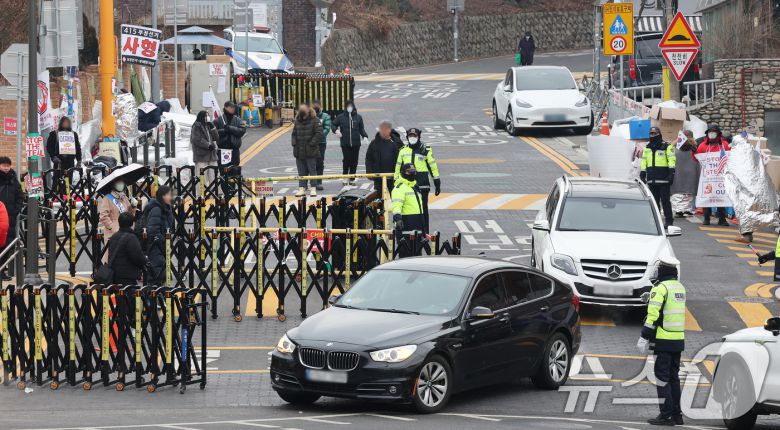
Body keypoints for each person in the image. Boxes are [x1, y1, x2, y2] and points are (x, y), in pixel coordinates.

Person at [637, 256, 686, 426]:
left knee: (662, 378)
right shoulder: (679, 287)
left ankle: (665, 415)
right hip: (678, 339)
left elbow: (653, 316)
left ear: (662, 271)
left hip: (663, 340)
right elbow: (669, 309)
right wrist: (650, 298)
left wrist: (644, 336)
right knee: (674, 378)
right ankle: (677, 414)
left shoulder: (660, 288)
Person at [395, 128, 441, 233]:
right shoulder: (403, 150)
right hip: (406, 186)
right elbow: (397, 168)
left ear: (419, 137)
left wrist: (437, 182)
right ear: (407, 137)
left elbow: (432, 166)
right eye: (410, 136)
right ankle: (409, 231)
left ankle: (425, 233)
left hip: (422, 185)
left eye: (414, 136)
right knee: (409, 209)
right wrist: (396, 182)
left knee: (423, 209)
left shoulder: (425, 150)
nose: (412, 138)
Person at [694, 123, 731, 227]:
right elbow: (696, 159)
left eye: (713, 132)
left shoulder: (725, 145)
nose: (711, 134)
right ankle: (706, 218)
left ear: (718, 133)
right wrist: (694, 152)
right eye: (710, 132)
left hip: (721, 177)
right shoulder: (702, 146)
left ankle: (722, 219)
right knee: (707, 197)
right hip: (708, 177)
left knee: (721, 196)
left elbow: (730, 157)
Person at [640, 126, 676, 227]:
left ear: (659, 134)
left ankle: (669, 221)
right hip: (652, 178)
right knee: (654, 202)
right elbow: (644, 161)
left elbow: (672, 160)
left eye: (654, 134)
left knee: (665, 201)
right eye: (651, 134)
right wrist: (642, 172)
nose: (652, 135)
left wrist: (671, 174)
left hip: (664, 178)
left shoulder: (666, 146)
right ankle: (656, 222)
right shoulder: (647, 147)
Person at [105, 212, 148, 286]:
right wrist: (145, 260)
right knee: (130, 295)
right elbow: (137, 257)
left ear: (119, 223)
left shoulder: (114, 237)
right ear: (132, 223)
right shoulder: (131, 238)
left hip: (114, 274)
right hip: (127, 275)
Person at [331, 100, 368, 186]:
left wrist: (365, 136)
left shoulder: (358, 117)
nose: (349, 108)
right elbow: (333, 124)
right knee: (347, 160)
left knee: (354, 161)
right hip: (345, 143)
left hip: (356, 143)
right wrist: (336, 131)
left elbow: (361, 129)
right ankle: (345, 177)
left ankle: (352, 178)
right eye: (348, 106)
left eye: (351, 106)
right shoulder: (341, 117)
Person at [291, 104, 323, 197]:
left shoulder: (315, 120)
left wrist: (311, 144)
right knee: (301, 171)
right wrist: (294, 143)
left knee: (312, 170)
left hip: (311, 151)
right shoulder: (297, 121)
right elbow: (294, 134)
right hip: (299, 150)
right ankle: (302, 188)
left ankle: (313, 188)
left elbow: (319, 134)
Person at [145, 186, 175, 286]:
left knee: (160, 274)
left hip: (162, 246)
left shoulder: (166, 208)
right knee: (156, 274)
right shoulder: (157, 209)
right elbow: (153, 230)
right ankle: (151, 299)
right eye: (169, 195)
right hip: (156, 246)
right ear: (162, 196)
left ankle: (157, 298)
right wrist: (163, 241)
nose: (171, 197)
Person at [0, 157, 24, 279]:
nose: (6, 168)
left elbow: (20, 196)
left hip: (10, 217)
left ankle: (2, 270)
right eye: (3, 165)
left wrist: (15, 210)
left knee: (7, 243)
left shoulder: (13, 179)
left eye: (8, 165)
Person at [46, 116, 82, 195]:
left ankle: (67, 198)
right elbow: (49, 146)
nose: (65, 124)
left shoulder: (73, 134)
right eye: (64, 123)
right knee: (57, 180)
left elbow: (78, 147)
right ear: (61, 123)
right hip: (58, 161)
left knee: (68, 181)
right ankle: (55, 196)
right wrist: (53, 156)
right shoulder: (54, 134)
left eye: (67, 123)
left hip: (70, 161)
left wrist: (79, 160)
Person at [366, 120, 403, 193]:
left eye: (385, 129)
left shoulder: (397, 142)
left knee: (396, 198)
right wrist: (369, 171)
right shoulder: (374, 143)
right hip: (379, 177)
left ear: (389, 130)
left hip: (394, 177)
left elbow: (404, 157)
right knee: (379, 200)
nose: (383, 131)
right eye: (381, 129)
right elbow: (369, 158)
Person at [670, 130, 699, 218]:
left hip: (678, 171)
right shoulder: (695, 148)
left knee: (677, 190)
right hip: (692, 171)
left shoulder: (673, 147)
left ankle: (678, 209)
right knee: (689, 191)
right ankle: (688, 209)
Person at [392, 163, 425, 235]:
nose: (412, 174)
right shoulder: (399, 188)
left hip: (418, 224)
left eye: (413, 172)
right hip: (405, 226)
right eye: (409, 172)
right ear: (403, 173)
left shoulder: (415, 186)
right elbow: (396, 205)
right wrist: (397, 219)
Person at [190, 110, 219, 191]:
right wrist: (208, 145)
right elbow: (196, 139)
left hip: (212, 155)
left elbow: (216, 137)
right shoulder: (196, 126)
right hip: (201, 155)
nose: (207, 117)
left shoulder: (209, 125)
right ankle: (201, 194)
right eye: (206, 116)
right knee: (202, 176)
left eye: (208, 115)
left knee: (213, 175)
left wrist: (213, 127)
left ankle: (214, 193)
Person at [214, 101, 246, 173]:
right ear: (225, 107)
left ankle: (232, 184)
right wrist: (224, 131)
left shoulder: (237, 120)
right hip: (222, 150)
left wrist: (231, 128)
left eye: (233, 107)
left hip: (234, 150)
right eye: (231, 107)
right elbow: (213, 133)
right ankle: (224, 184)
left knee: (234, 171)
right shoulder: (218, 120)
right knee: (223, 171)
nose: (233, 109)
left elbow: (242, 130)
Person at [312, 100, 331, 191]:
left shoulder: (325, 116)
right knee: (310, 163)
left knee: (319, 162)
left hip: (321, 143)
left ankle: (319, 182)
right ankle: (311, 182)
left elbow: (326, 128)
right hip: (310, 144)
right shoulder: (309, 116)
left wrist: (317, 137)